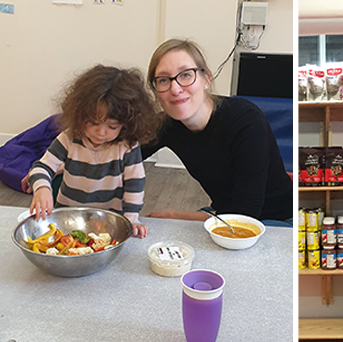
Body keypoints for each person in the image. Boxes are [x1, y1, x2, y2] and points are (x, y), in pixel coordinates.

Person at [141, 39, 293, 227]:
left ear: (206, 79)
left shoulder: (245, 120)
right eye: (163, 80)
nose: (175, 88)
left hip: (277, 222)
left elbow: (244, 219)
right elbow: (121, 155)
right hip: (225, 214)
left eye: (186, 75)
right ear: (156, 91)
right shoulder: (166, 125)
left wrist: (178, 215)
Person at [26, 65, 160, 238]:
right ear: (80, 114)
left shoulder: (126, 147)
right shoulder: (69, 138)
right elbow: (41, 167)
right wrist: (42, 188)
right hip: (67, 218)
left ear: (127, 124)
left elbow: (135, 185)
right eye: (93, 123)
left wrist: (132, 218)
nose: (101, 132)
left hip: (109, 221)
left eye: (112, 126)